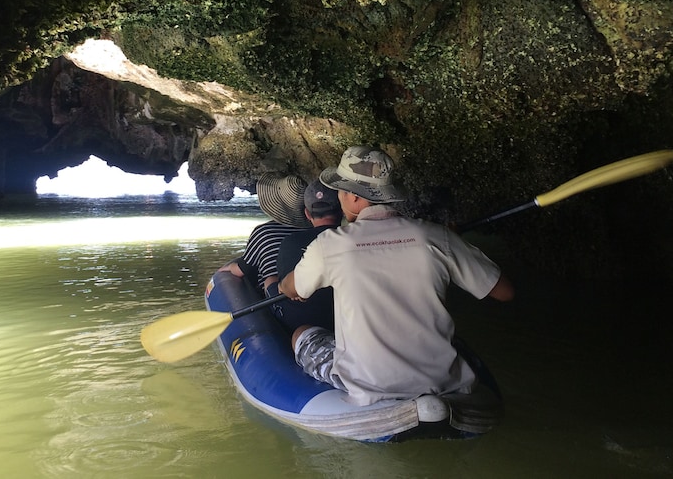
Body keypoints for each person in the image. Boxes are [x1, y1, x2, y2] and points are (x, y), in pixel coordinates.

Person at [279, 146, 514, 407]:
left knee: (302, 333)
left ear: (354, 198)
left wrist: (284, 285)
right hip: (443, 382)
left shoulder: (330, 245)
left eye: (341, 192)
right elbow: (505, 292)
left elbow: (291, 288)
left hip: (369, 385)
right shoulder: (435, 236)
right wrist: (452, 242)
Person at [269, 178, 343, 332]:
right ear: (341, 210)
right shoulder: (352, 240)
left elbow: (288, 288)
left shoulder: (290, 242)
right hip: (342, 320)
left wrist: (284, 286)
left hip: (301, 326)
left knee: (271, 280)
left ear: (307, 214)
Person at [218, 172, 311, 295]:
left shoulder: (264, 233)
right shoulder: (313, 232)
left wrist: (225, 270)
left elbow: (242, 270)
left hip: (277, 299)